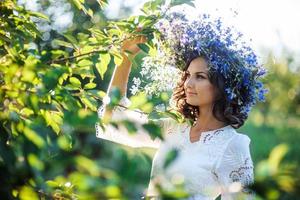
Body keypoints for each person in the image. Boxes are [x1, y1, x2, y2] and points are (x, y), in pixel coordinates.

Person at [96, 13, 267, 199]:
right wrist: (126, 57)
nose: (188, 84)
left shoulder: (232, 144)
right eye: (187, 75)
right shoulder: (173, 128)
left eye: (200, 77)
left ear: (222, 87)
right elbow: (112, 117)